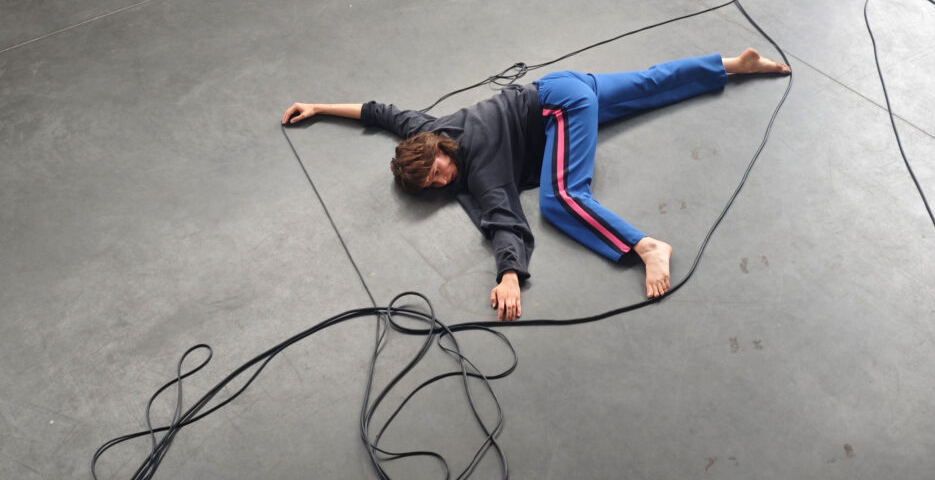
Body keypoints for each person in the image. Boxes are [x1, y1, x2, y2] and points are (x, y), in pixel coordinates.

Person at [283, 48, 790, 321]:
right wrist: (320, 107)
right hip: (562, 84)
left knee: (562, 198)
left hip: (559, 108)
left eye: (438, 170)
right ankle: (732, 65)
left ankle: (646, 245)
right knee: (648, 84)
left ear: (439, 150)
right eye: (434, 184)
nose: (442, 180)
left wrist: (509, 275)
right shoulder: (426, 130)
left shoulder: (480, 166)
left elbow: (505, 220)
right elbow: (380, 112)